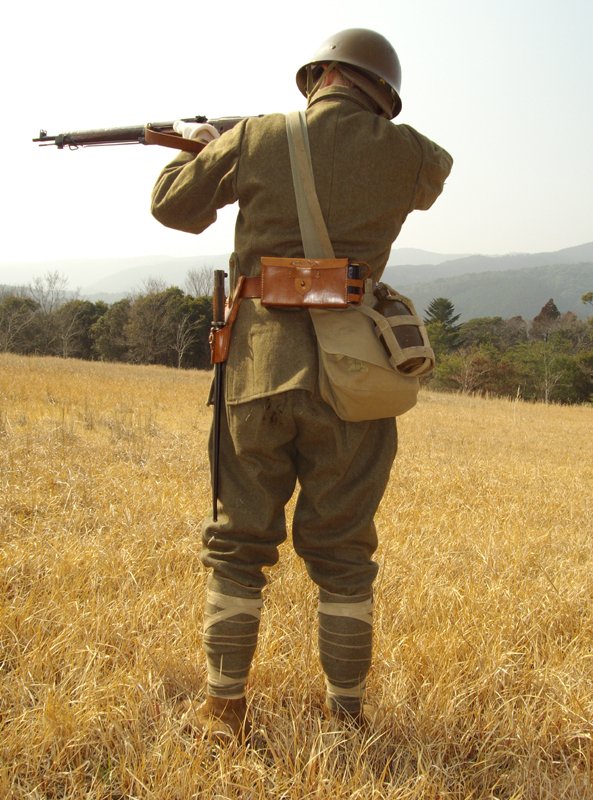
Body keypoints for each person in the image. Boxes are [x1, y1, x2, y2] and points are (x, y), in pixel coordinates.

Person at [151, 28, 452, 742]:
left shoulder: (257, 137)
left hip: (256, 368)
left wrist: (206, 143)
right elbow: (433, 172)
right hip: (355, 379)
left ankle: (224, 710)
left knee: (237, 543)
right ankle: (345, 720)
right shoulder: (409, 152)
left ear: (315, 74)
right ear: (383, 94)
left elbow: (172, 207)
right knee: (344, 552)